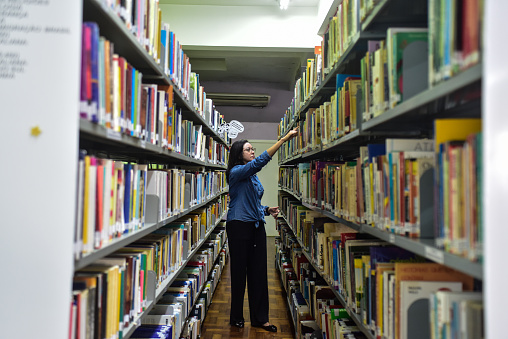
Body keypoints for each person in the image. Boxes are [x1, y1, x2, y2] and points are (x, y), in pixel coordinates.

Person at [225, 127, 298, 333]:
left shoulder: (252, 176)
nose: (252, 152)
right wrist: (283, 139)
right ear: (239, 154)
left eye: (253, 149)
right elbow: (259, 163)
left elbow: (252, 200)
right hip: (239, 227)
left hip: (256, 226)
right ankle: (236, 317)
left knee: (258, 273)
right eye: (248, 149)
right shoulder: (236, 172)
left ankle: (260, 319)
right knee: (239, 273)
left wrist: (266, 210)